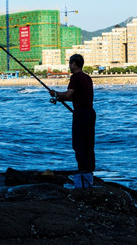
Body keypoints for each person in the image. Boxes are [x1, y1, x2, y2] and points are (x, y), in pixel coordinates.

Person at [49, 54, 96, 187]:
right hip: (90, 113)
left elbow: (69, 94)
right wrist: (59, 98)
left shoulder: (75, 77)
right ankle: (89, 169)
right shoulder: (87, 78)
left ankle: (82, 170)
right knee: (88, 143)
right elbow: (74, 98)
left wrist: (56, 94)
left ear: (75, 64)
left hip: (80, 113)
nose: (69, 65)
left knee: (78, 143)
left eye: (70, 63)